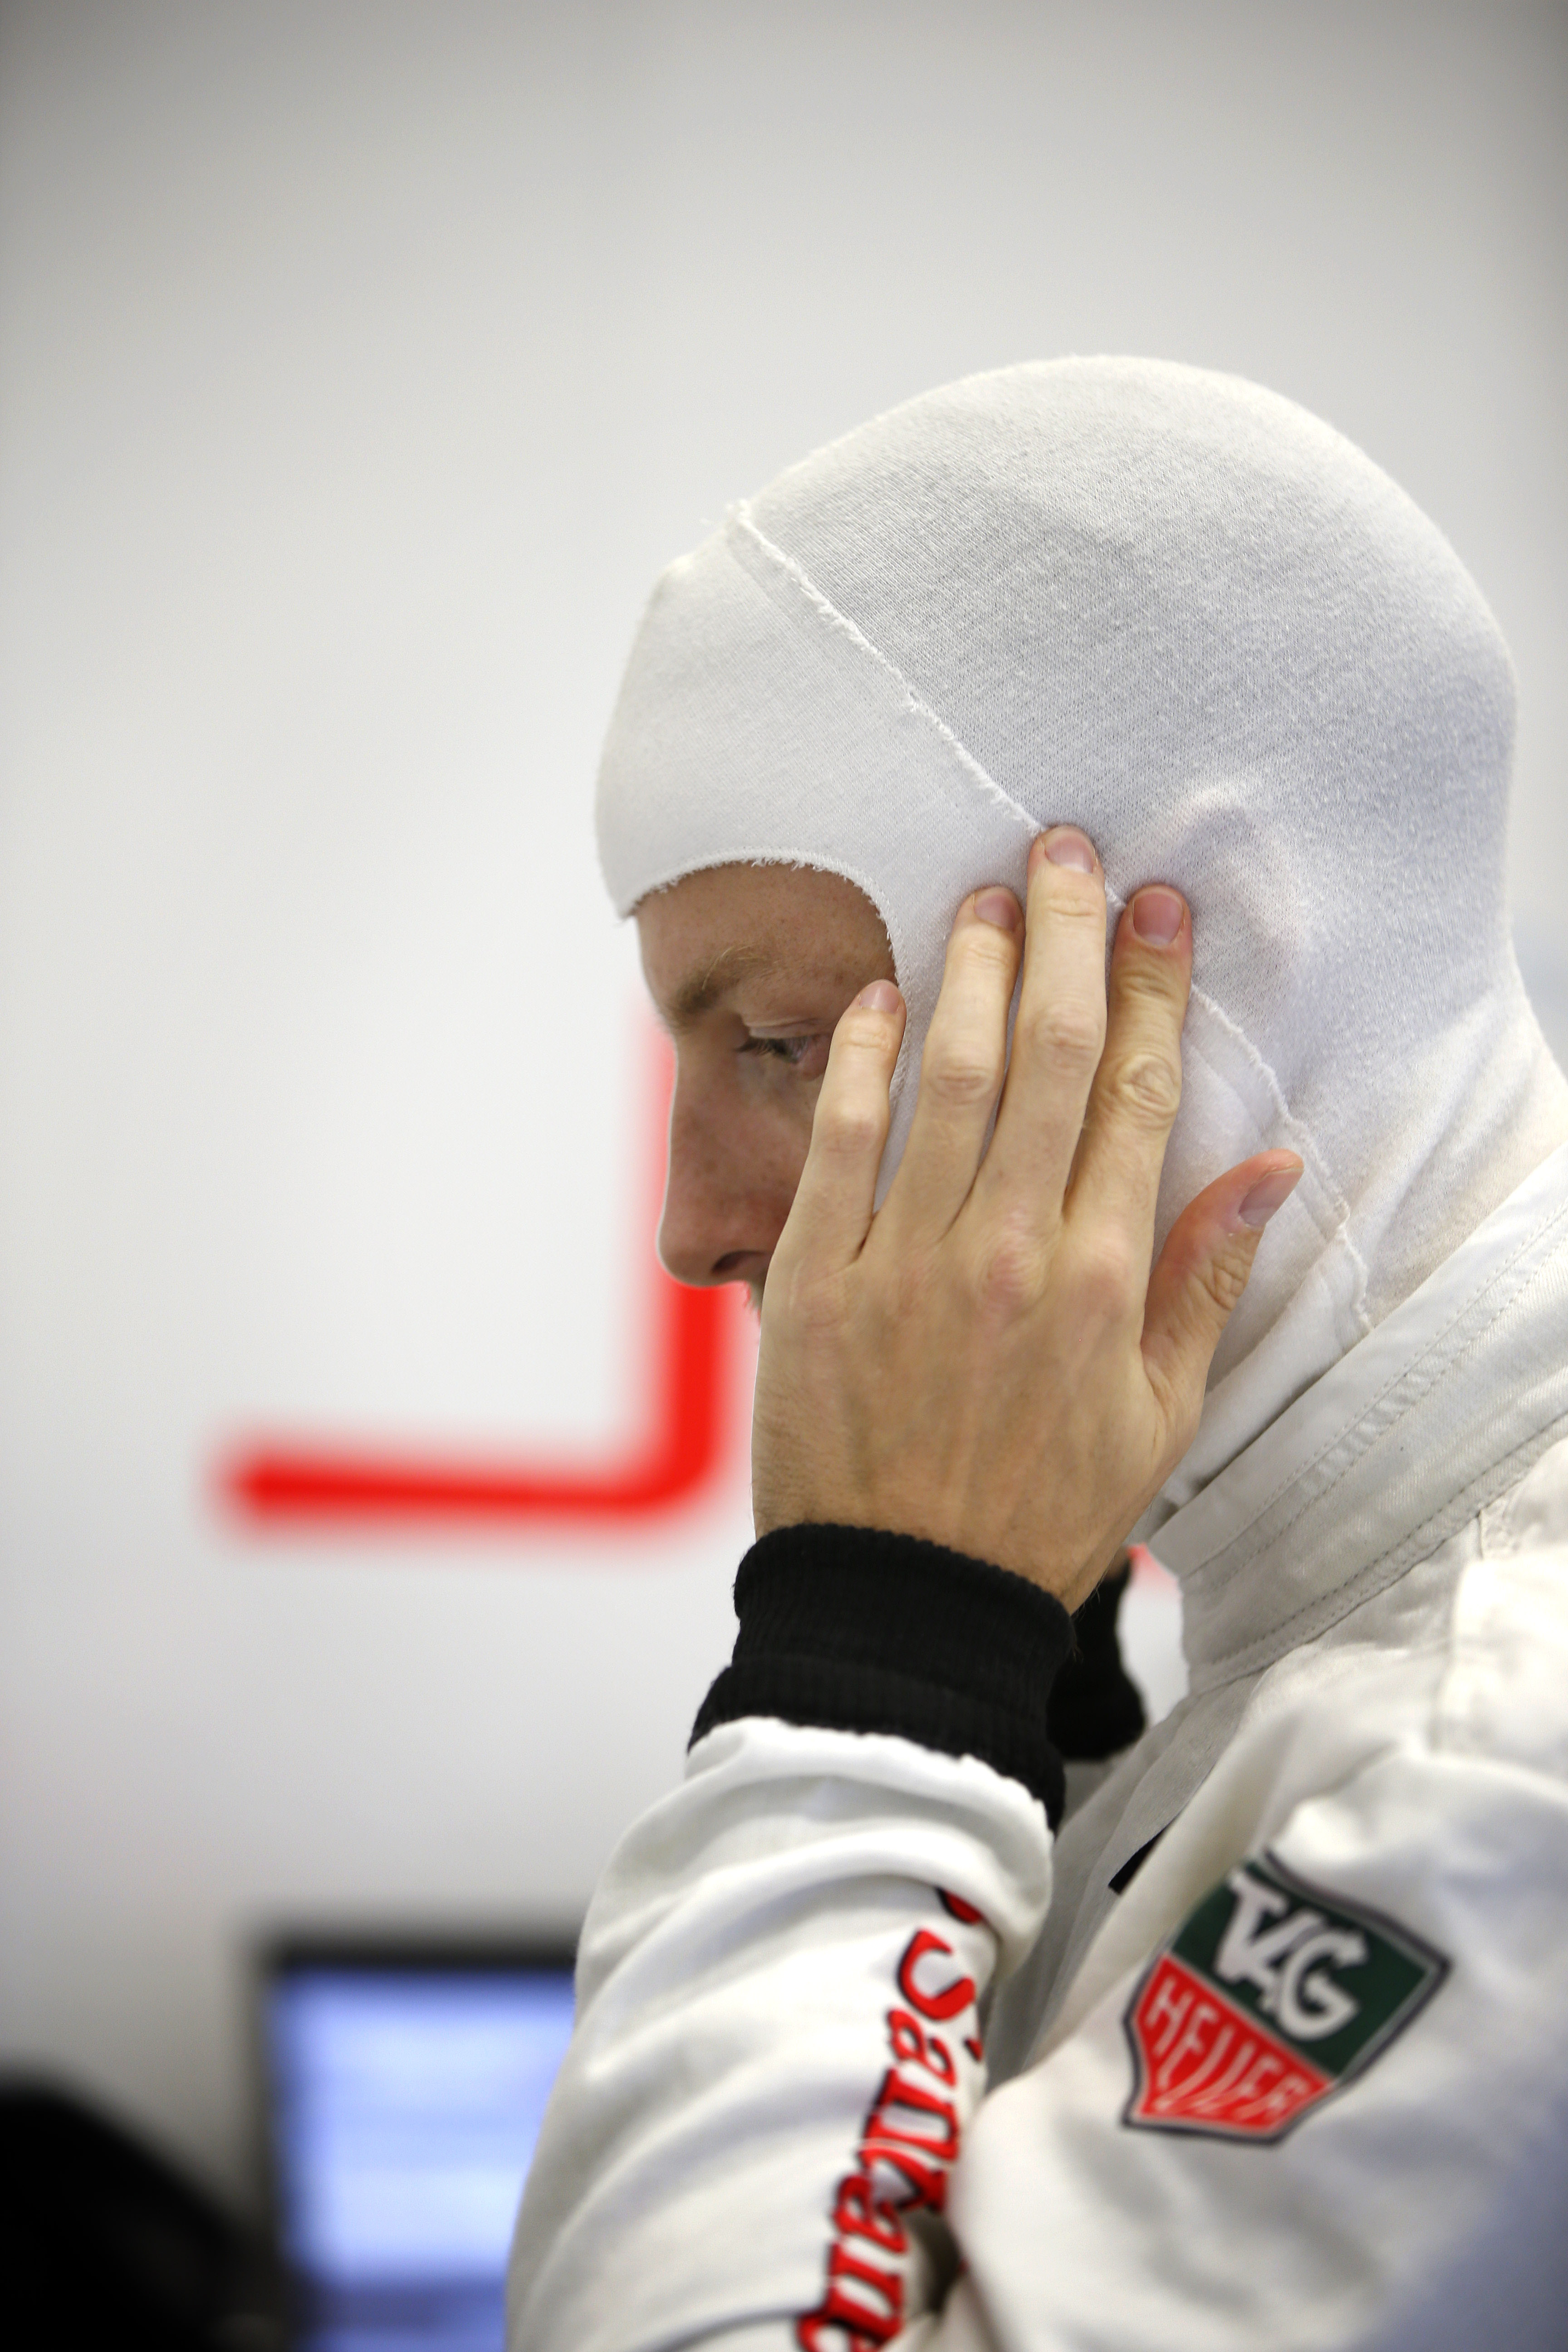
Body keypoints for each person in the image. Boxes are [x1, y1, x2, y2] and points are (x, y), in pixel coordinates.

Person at [508, 361, 1568, 2348]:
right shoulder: (1319, 1631)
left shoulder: (1502, 1762)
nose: (695, 1224)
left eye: (780, 1045)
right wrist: (1042, 1731)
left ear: (1212, 960)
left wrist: (879, 1665)